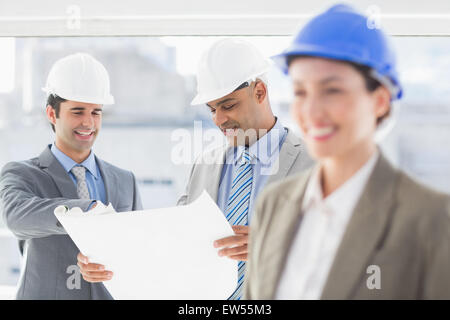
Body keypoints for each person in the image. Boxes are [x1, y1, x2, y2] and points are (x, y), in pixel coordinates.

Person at [244, 4, 450, 299]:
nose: (311, 111)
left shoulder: (430, 218)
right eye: (301, 92)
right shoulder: (273, 205)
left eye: (332, 90)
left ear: (380, 101)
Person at [0, 53, 142, 299]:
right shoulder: (22, 174)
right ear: (52, 114)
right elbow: (15, 216)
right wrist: (87, 211)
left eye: (96, 112)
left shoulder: (125, 180)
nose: (88, 122)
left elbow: (138, 248)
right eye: (77, 111)